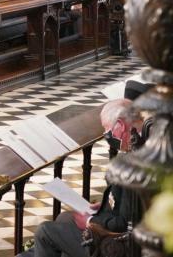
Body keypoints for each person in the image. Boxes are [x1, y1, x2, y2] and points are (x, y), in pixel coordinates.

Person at [19, 82, 147, 257]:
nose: (106, 135)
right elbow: (127, 207)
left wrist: (90, 220)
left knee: (45, 232)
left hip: (118, 246)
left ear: (120, 126)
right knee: (64, 219)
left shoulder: (133, 163)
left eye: (107, 129)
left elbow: (122, 224)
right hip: (131, 234)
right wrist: (102, 208)